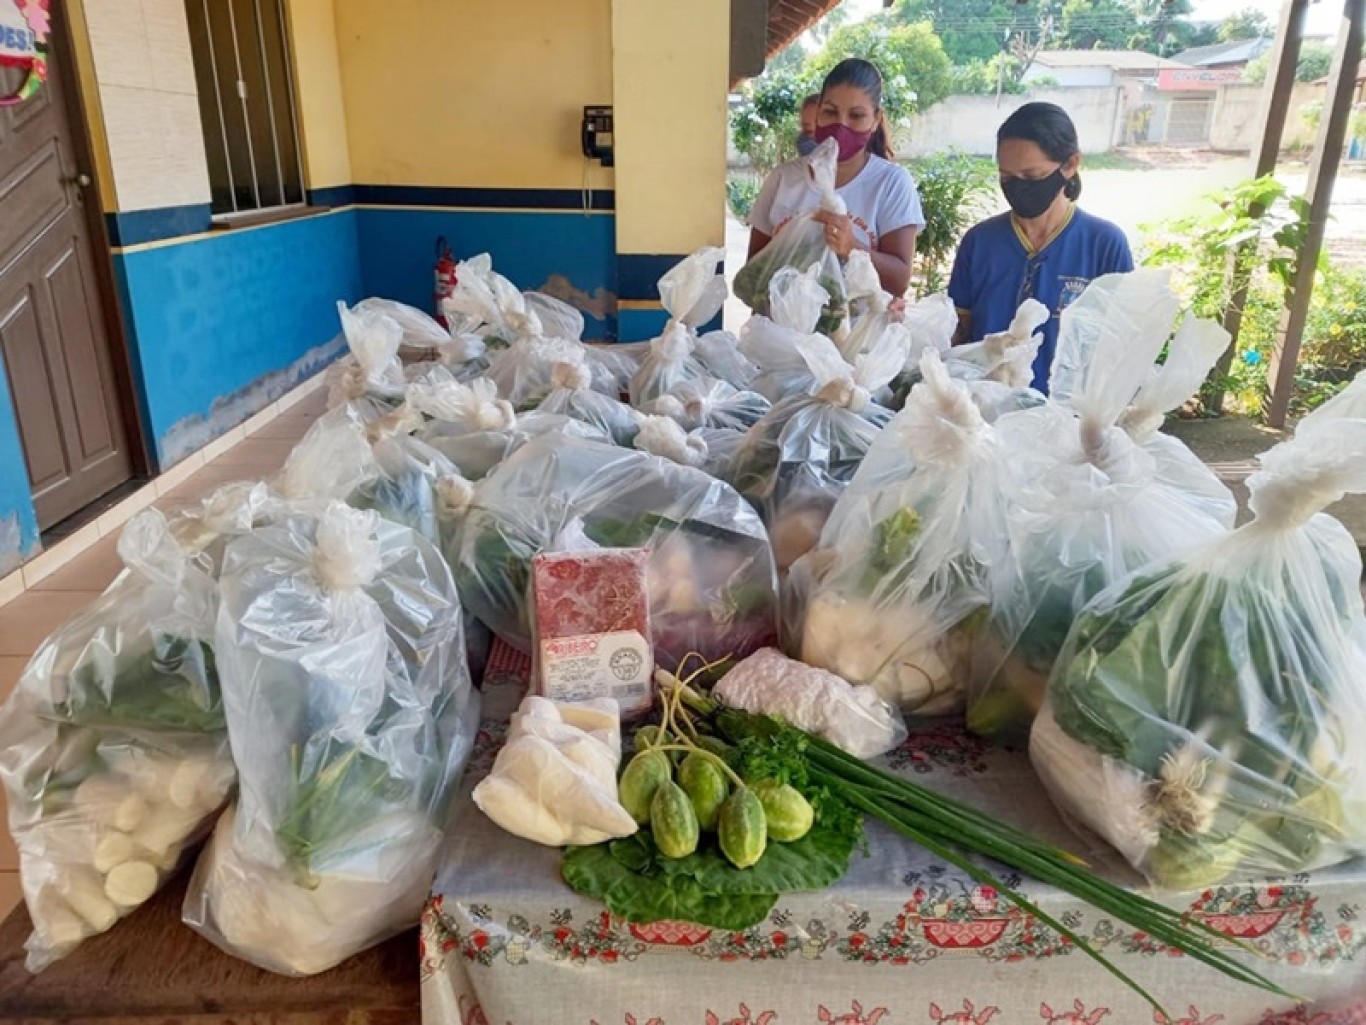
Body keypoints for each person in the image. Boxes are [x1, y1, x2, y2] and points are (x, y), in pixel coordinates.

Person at [948, 101, 1133, 393]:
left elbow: (1120, 350)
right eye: (1007, 177)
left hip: (1065, 422)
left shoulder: (1104, 244)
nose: (1018, 187)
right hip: (981, 415)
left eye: (1032, 177)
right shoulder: (980, 242)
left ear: (1070, 165)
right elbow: (958, 334)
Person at [747, 58, 924, 298]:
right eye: (830, 112)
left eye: (856, 115)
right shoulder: (782, 179)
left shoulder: (891, 183)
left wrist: (852, 247)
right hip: (781, 332)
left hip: (856, 334)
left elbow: (899, 281)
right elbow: (753, 276)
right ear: (818, 111)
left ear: (875, 120)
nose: (841, 125)